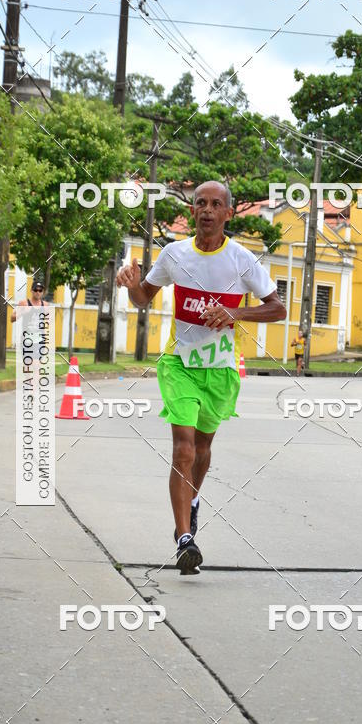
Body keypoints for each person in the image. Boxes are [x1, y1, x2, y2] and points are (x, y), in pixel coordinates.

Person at [116, 180, 286, 575]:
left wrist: (236, 314)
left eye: (215, 204)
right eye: (200, 204)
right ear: (192, 211)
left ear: (229, 213)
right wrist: (130, 287)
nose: (207, 210)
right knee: (184, 449)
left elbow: (277, 309)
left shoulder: (242, 260)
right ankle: (183, 538)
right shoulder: (175, 254)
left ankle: (191, 504)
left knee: (203, 451)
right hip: (180, 366)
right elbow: (145, 298)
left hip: (221, 371)